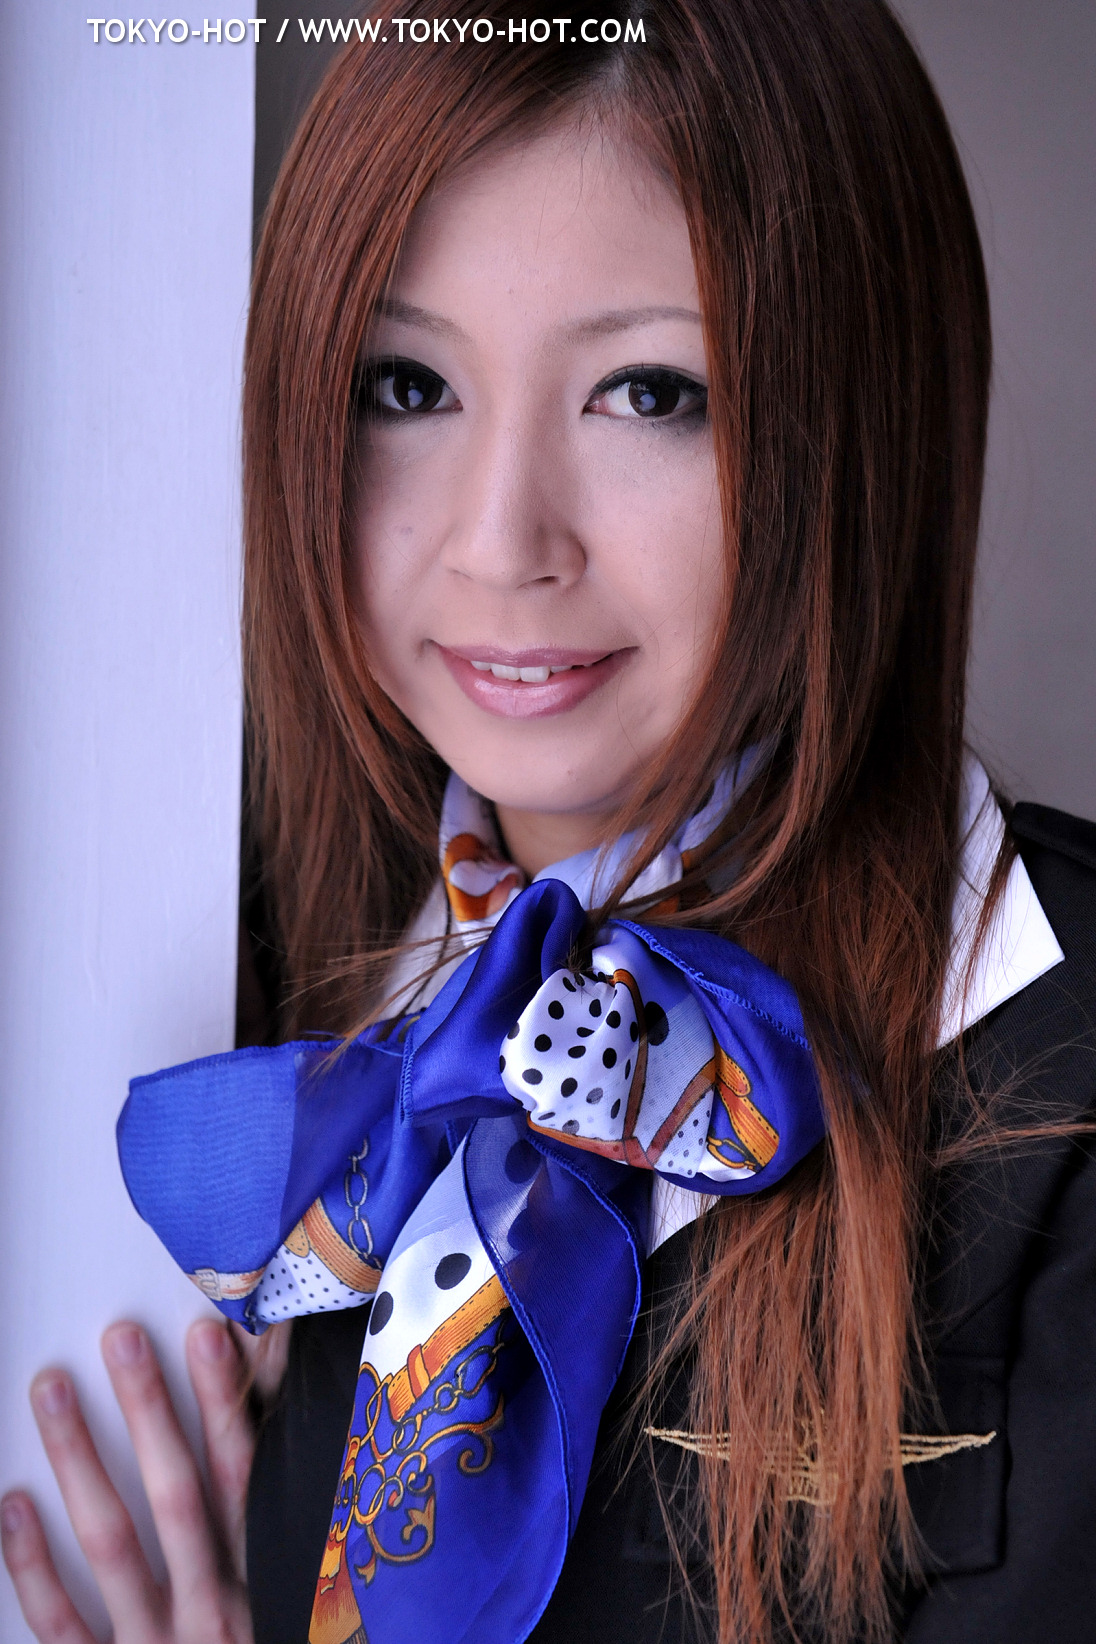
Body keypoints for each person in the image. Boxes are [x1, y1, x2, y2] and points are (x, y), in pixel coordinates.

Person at [4, 2, 1095, 1641]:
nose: (502, 541)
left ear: (859, 416)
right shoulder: (258, 989)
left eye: (648, 392)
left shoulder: (1063, 1068)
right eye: (407, 383)